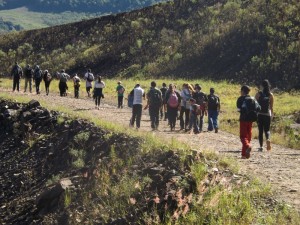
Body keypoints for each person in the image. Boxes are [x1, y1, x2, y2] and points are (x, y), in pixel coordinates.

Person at [237, 85, 261, 159]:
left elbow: (238, 109)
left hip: (243, 119)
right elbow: (259, 108)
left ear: (242, 91)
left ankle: (248, 146)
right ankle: (245, 155)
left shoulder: (240, 99)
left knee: (243, 136)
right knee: (248, 136)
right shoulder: (253, 98)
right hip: (251, 119)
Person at [255, 79, 274, 151]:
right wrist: (272, 115)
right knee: (267, 130)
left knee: (260, 130)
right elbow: (271, 107)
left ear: (262, 86)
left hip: (259, 114)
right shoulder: (271, 95)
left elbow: (255, 104)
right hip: (267, 114)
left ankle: (261, 146)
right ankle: (268, 139)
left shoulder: (258, 94)